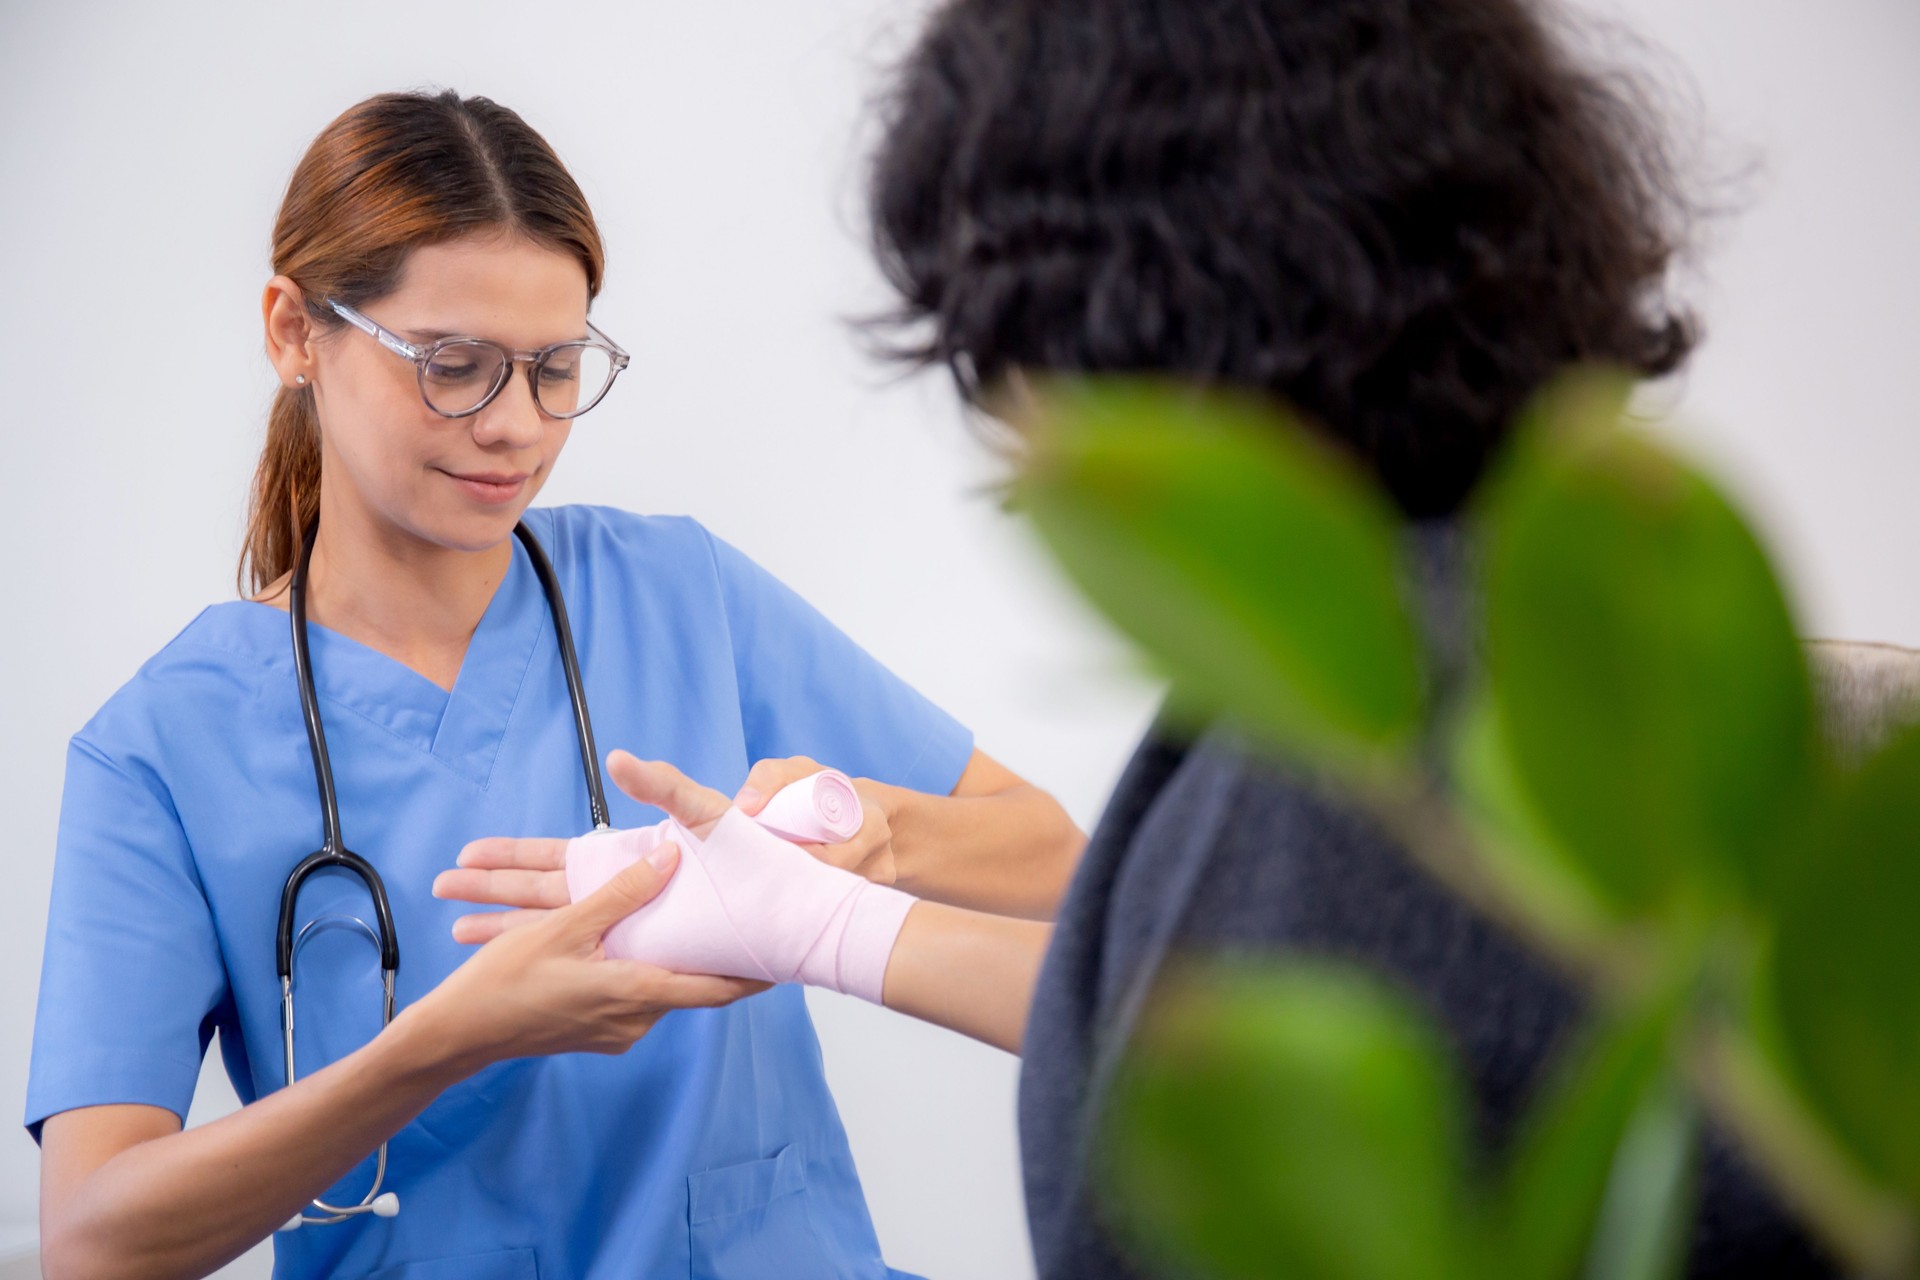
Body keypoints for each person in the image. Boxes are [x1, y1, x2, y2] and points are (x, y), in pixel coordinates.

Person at [446, 0, 1841, 1275]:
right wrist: (829, 925)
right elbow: (1202, 1013)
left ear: (1125, 320)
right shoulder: (1559, 648)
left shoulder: (1363, 772)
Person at [26, 88, 1082, 1280]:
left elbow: (1052, 855)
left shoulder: (681, 590)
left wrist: (870, 840)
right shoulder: (162, 746)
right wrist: (440, 1043)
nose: (516, 426)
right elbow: (91, 1242)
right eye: (455, 366)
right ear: (292, 331)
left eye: (557, 367)